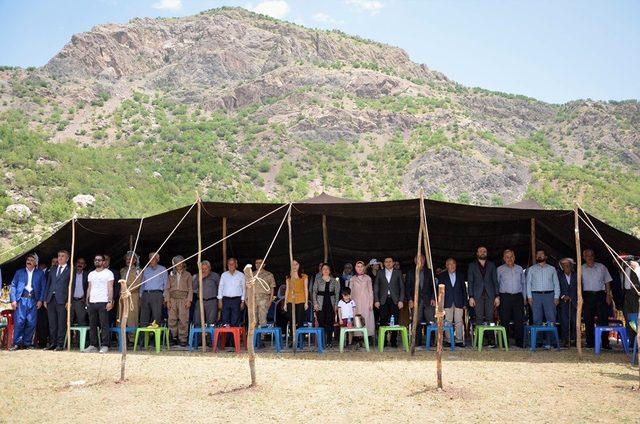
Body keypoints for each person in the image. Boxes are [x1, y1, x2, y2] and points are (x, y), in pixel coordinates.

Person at [9, 253, 46, 350]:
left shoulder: (40, 273)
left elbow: (43, 288)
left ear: (36, 263)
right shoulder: (19, 272)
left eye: (31, 260)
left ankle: (27, 343)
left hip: (33, 300)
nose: (29, 261)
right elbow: (13, 286)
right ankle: (16, 343)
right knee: (19, 321)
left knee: (31, 322)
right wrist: (13, 300)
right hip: (21, 299)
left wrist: (40, 300)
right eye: (28, 260)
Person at [526, 249, 560, 348]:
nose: (540, 256)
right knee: (537, 319)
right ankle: (538, 341)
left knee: (551, 319)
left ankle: (552, 342)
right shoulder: (531, 269)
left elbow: (556, 283)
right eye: (538, 255)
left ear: (546, 257)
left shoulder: (552, 269)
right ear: (536, 258)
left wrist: (556, 296)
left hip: (550, 295)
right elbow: (528, 283)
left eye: (542, 255)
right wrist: (529, 297)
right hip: (535, 295)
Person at [581, 249, 613, 349]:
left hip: (600, 295)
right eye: (587, 256)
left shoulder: (601, 267)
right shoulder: (581, 268)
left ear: (594, 256)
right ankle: (590, 342)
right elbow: (578, 283)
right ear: (584, 257)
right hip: (587, 296)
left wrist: (608, 295)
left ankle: (605, 343)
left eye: (591, 255)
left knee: (603, 319)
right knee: (588, 319)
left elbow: (607, 282)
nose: (589, 257)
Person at [468, 246, 499, 345]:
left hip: (490, 295)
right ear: (477, 253)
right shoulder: (472, 265)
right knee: (479, 318)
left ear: (487, 253)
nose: (483, 252)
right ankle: (479, 340)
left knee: (490, 317)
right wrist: (471, 296)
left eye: (484, 251)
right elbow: (470, 282)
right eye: (481, 251)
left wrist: (497, 296)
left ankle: (491, 340)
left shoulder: (492, 265)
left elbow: (495, 281)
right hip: (477, 295)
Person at [84, 254, 114, 353]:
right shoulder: (91, 274)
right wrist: (87, 299)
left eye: (99, 260)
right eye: (96, 260)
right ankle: (93, 345)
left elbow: (110, 288)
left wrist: (110, 301)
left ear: (104, 262)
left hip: (103, 301)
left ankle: (105, 345)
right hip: (92, 302)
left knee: (104, 324)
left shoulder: (108, 273)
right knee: (92, 324)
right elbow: (89, 287)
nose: (97, 261)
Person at [497, 249, 526, 348]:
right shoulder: (500, 269)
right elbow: (496, 284)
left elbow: (523, 284)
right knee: (504, 319)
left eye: (511, 256)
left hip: (518, 296)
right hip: (505, 297)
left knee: (519, 319)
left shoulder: (520, 268)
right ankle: (505, 343)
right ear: (504, 258)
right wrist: (497, 297)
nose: (509, 259)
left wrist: (525, 297)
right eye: (507, 257)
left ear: (514, 257)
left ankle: (520, 342)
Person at [44, 250, 72, 350]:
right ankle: (53, 343)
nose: (60, 258)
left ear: (67, 258)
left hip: (62, 300)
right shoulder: (53, 269)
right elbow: (48, 285)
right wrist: (45, 299)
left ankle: (60, 344)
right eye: (59, 256)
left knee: (61, 323)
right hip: (51, 299)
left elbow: (71, 287)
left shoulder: (70, 270)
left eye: (62, 256)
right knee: (52, 323)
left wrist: (69, 300)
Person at [374, 257, 405, 348]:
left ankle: (393, 341)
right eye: (386, 261)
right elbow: (376, 286)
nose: (388, 263)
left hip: (395, 300)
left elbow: (402, 287)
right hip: (383, 299)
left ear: (393, 263)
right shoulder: (380, 272)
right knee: (383, 320)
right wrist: (376, 300)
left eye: (390, 262)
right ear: (384, 263)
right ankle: (383, 341)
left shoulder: (398, 272)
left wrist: (401, 300)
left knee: (395, 321)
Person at [405, 254, 435, 345]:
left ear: (424, 260)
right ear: (415, 261)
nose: (420, 261)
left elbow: (434, 287)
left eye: (422, 259)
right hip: (415, 300)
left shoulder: (430, 272)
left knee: (431, 321)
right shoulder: (410, 273)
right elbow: (408, 288)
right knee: (416, 321)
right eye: (418, 260)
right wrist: (410, 299)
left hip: (428, 300)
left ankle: (430, 342)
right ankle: (417, 342)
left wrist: (433, 298)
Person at [164, 256, 192, 347]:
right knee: (172, 319)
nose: (179, 264)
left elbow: (190, 289)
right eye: (177, 262)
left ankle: (183, 338)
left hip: (184, 299)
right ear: (174, 264)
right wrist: (167, 301)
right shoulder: (171, 274)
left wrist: (189, 300)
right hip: (172, 299)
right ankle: (173, 337)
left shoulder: (188, 274)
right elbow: (167, 289)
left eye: (181, 262)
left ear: (183, 263)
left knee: (183, 319)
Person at [438, 258, 467, 347]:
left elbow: (464, 290)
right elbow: (438, 289)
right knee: (447, 321)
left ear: (456, 265)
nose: (452, 265)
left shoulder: (461, 275)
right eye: (449, 264)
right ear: (446, 266)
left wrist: (465, 303)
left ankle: (459, 340)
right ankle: (448, 340)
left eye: (453, 263)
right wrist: (440, 303)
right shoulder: (442, 275)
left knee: (459, 321)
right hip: (447, 301)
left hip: (459, 301)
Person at [313, 263, 339, 347]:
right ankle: (321, 342)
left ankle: (329, 341)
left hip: (330, 304)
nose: (325, 270)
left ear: (330, 270)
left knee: (330, 323)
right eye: (324, 269)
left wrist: (336, 305)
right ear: (321, 270)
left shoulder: (335, 281)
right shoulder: (317, 280)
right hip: (320, 304)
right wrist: (315, 304)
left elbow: (337, 294)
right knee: (321, 323)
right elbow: (314, 292)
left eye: (327, 269)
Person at [350, 261, 375, 346]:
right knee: (357, 319)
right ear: (355, 268)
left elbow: (371, 291)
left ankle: (366, 339)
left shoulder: (368, 278)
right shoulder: (352, 278)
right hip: (356, 302)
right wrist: (350, 304)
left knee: (366, 319)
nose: (360, 268)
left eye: (361, 266)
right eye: (358, 266)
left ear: (364, 267)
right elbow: (350, 292)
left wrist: (371, 303)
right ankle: (358, 339)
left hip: (366, 302)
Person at [140, 252, 168, 327]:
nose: (151, 260)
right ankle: (144, 337)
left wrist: (165, 297)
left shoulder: (163, 269)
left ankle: (155, 337)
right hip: (145, 294)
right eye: (150, 259)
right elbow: (142, 284)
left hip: (157, 294)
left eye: (154, 259)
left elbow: (166, 285)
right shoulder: (146, 270)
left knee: (156, 316)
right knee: (144, 316)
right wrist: (140, 295)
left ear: (158, 259)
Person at [217, 258, 246, 327]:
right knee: (225, 320)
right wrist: (220, 300)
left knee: (235, 320)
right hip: (226, 300)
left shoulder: (241, 275)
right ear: (227, 265)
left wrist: (243, 301)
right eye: (229, 264)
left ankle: (233, 337)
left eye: (233, 264)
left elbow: (244, 289)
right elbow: (220, 288)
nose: (231, 265)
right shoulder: (224, 275)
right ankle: (227, 337)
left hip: (236, 300)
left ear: (236, 265)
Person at [118, 252, 142, 332]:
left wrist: (127, 291)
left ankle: (132, 337)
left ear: (134, 260)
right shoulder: (122, 270)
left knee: (132, 316)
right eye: (127, 259)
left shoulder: (138, 270)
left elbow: (138, 283)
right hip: (122, 295)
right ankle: (121, 337)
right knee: (121, 315)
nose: (128, 260)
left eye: (130, 259)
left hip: (133, 295)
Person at [249, 258, 276, 327]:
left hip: (264, 298)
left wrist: (270, 301)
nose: (258, 264)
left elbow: (272, 288)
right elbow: (248, 287)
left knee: (262, 319)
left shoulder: (269, 275)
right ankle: (254, 337)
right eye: (256, 263)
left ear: (264, 265)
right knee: (253, 320)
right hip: (253, 299)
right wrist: (247, 300)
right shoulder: (252, 274)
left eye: (260, 263)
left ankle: (262, 336)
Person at [193, 260, 220, 327]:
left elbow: (220, 289)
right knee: (197, 320)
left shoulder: (215, 276)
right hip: (200, 301)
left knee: (211, 321)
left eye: (206, 269)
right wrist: (200, 279)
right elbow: (193, 287)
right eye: (202, 269)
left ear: (209, 268)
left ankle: (209, 337)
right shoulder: (196, 276)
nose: (204, 271)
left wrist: (219, 300)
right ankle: (198, 337)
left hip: (212, 301)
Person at [558, 257, 578, 347]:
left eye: (568, 265)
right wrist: (562, 296)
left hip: (574, 302)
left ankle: (574, 340)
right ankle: (565, 340)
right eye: (564, 265)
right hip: (563, 302)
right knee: (564, 321)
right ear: (562, 266)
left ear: (571, 266)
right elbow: (556, 287)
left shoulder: (576, 275)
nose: (566, 267)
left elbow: (579, 288)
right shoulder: (558, 275)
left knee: (574, 321)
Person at [284, 260, 308, 334]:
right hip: (290, 299)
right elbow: (287, 290)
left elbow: (305, 289)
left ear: (299, 265)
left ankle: (300, 339)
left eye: (296, 264)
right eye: (293, 264)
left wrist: (306, 302)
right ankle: (292, 338)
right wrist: (285, 303)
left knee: (300, 319)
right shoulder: (288, 276)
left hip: (301, 299)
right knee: (291, 319)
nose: (295, 266)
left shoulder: (304, 276)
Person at [70, 257, 89, 326]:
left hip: (81, 301)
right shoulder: (71, 274)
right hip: (70, 301)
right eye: (78, 262)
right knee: (68, 321)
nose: (80, 264)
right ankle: (69, 336)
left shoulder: (87, 275)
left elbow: (89, 287)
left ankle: (80, 337)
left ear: (85, 265)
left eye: (82, 263)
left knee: (81, 321)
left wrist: (86, 298)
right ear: (75, 264)